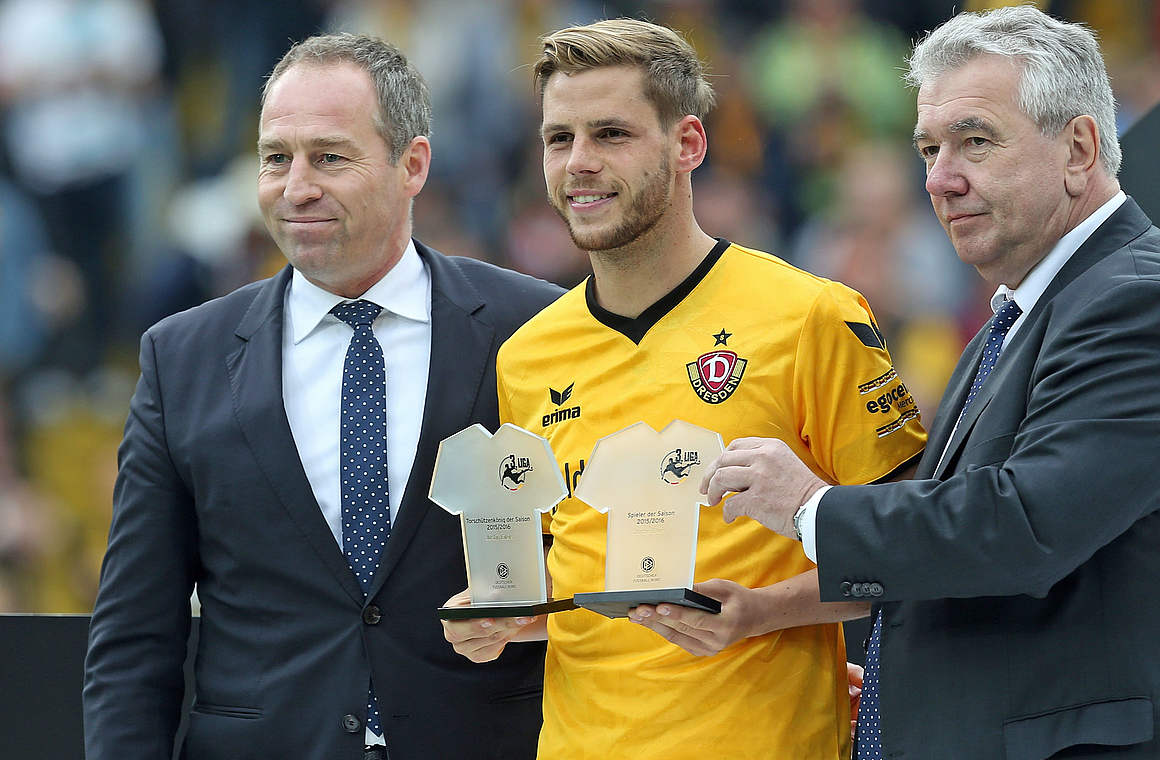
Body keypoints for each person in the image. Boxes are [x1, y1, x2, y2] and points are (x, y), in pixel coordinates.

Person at [704, 6, 1160, 759]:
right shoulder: (1012, 324)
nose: (941, 180)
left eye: (974, 141)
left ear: (1078, 147)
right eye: (927, 150)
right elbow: (986, 559)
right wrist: (907, 691)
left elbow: (1020, 529)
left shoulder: (1146, 305)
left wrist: (812, 509)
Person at [440, 19, 927, 759]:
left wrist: (762, 612)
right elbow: (573, 572)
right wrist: (499, 614)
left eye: (611, 134)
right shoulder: (528, 356)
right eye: (558, 138)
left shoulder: (810, 317)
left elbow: (913, 551)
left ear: (688, 145)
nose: (579, 164)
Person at [83, 34, 562, 759]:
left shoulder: (535, 328)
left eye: (329, 157)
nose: (296, 186)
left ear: (413, 165)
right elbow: (134, 636)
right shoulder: (180, 358)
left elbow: (595, 563)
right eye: (276, 158)